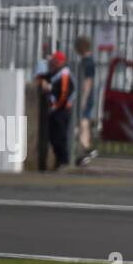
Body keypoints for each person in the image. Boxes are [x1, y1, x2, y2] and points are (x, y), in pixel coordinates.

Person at [38, 50, 74, 170]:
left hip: (62, 110)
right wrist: (41, 81)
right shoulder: (55, 74)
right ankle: (60, 161)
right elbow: (41, 77)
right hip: (55, 111)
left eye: (55, 62)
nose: (52, 64)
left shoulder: (64, 75)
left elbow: (63, 94)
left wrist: (49, 88)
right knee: (53, 137)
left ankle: (64, 161)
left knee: (59, 137)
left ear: (60, 63)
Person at [74, 35, 98, 166]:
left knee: (82, 121)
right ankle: (87, 147)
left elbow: (88, 81)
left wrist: (83, 98)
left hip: (85, 96)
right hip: (88, 96)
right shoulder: (89, 60)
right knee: (86, 121)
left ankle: (86, 149)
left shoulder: (87, 62)